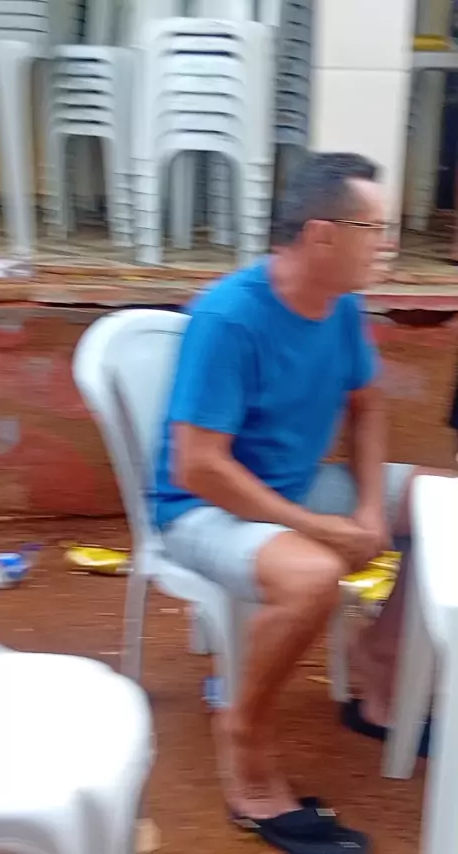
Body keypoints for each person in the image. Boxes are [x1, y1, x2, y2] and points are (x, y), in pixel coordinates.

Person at [153, 152, 443, 854]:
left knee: (440, 504)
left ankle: (378, 674)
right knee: (313, 576)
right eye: (374, 229)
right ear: (322, 235)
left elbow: (367, 406)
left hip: (293, 484)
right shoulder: (229, 317)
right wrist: (318, 528)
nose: (387, 244)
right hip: (202, 509)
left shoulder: (340, 305)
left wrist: (369, 508)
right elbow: (198, 467)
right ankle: (245, 746)